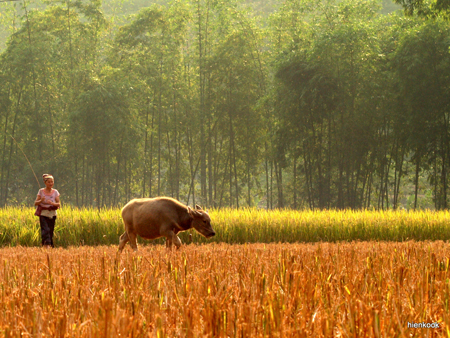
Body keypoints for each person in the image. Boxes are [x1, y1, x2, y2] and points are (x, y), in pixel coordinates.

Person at [34, 174, 60, 247]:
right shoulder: (41, 191)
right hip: (43, 214)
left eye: (52, 182)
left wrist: (52, 203)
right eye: (49, 182)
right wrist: (41, 200)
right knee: (45, 230)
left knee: (50, 231)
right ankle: (47, 245)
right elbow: (36, 203)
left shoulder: (55, 192)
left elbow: (58, 204)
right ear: (45, 183)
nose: (51, 183)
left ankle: (48, 246)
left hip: (52, 214)